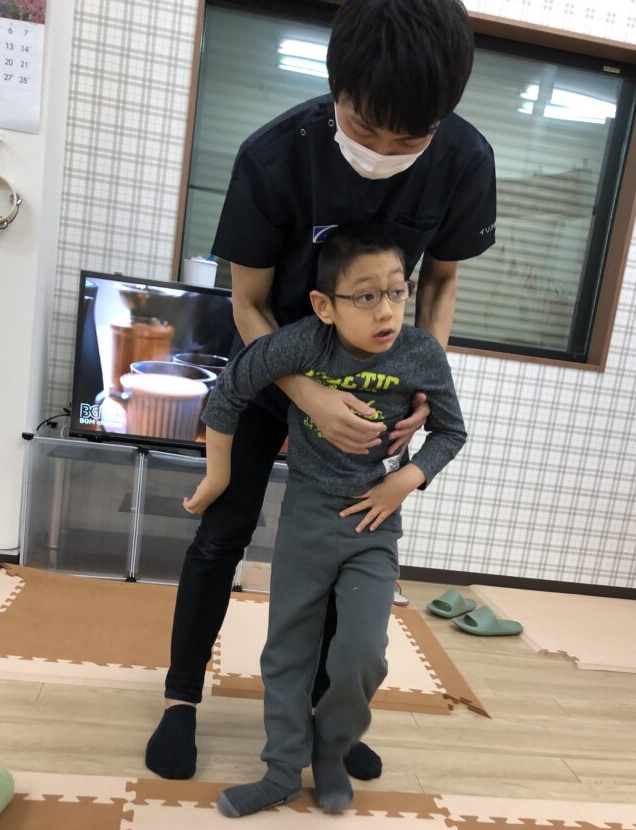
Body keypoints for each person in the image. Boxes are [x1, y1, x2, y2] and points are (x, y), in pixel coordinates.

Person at [145, 0, 496, 782]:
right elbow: (246, 303)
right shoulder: (274, 155)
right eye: (366, 128)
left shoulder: (464, 158)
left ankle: (325, 713)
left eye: (409, 139)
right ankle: (180, 697)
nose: (382, 152)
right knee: (224, 531)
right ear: (337, 87)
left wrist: (420, 382)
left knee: (346, 540)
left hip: (374, 383)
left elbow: (440, 284)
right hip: (276, 364)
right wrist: (304, 393)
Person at [183, 223, 466, 816]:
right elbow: (229, 391)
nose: (386, 309)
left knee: (362, 653)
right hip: (308, 517)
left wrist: (406, 480)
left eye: (397, 291)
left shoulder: (420, 353)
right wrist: (219, 476)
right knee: (288, 649)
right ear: (324, 305)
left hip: (373, 525)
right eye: (365, 296)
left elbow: (450, 432)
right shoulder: (303, 344)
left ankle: (332, 750)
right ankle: (283, 770)